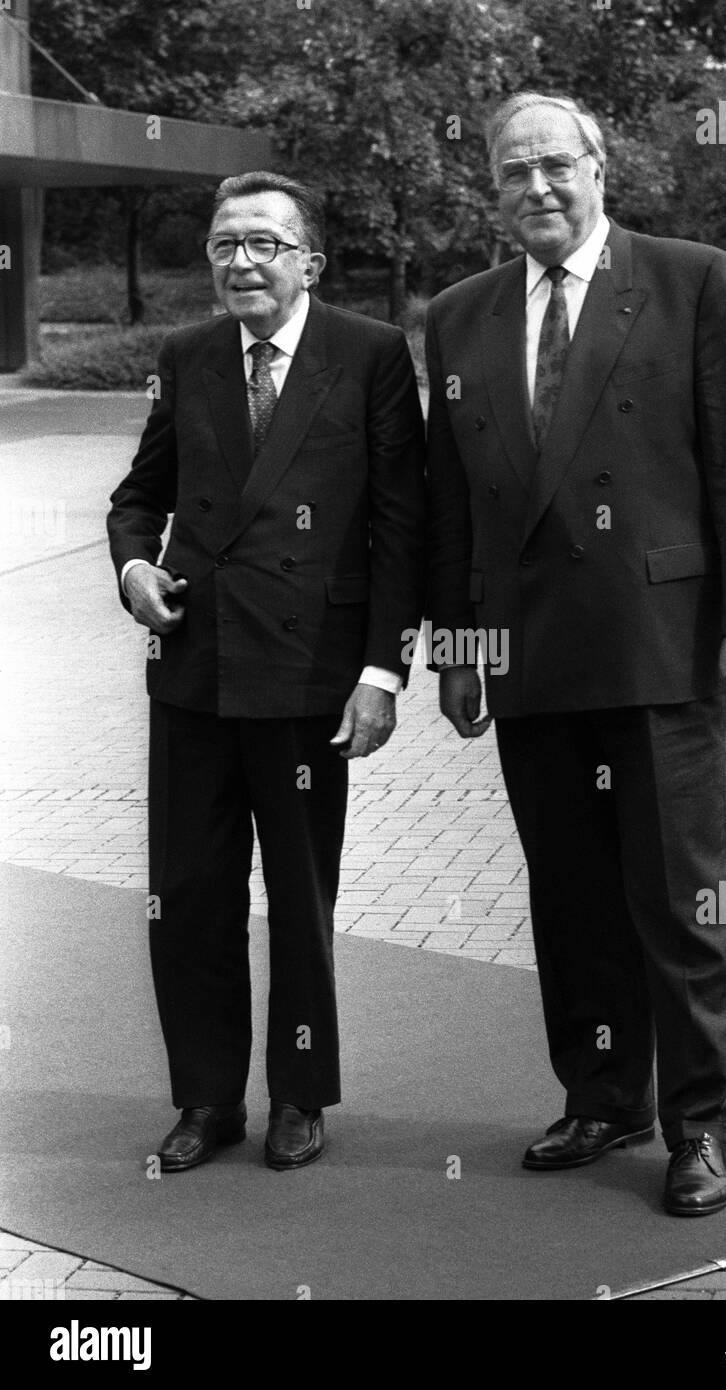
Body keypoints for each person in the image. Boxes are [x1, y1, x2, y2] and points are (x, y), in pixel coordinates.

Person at [425, 93, 726, 1216]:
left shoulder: (692, 277)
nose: (534, 187)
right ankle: (602, 1095)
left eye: (553, 166)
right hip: (529, 657)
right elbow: (453, 499)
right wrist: (457, 644)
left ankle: (699, 1124)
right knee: (571, 897)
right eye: (509, 173)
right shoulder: (460, 313)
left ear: (599, 167)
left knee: (683, 898)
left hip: (659, 646)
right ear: (488, 190)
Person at [107, 171, 425, 1172]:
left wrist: (381, 669)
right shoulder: (188, 355)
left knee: (299, 895)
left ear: (309, 262)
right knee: (190, 894)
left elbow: (399, 524)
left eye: (264, 245)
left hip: (306, 675)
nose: (241, 262)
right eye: (223, 245)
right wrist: (132, 566)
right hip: (195, 670)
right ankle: (206, 1099)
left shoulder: (368, 355)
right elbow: (138, 495)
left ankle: (298, 1095)